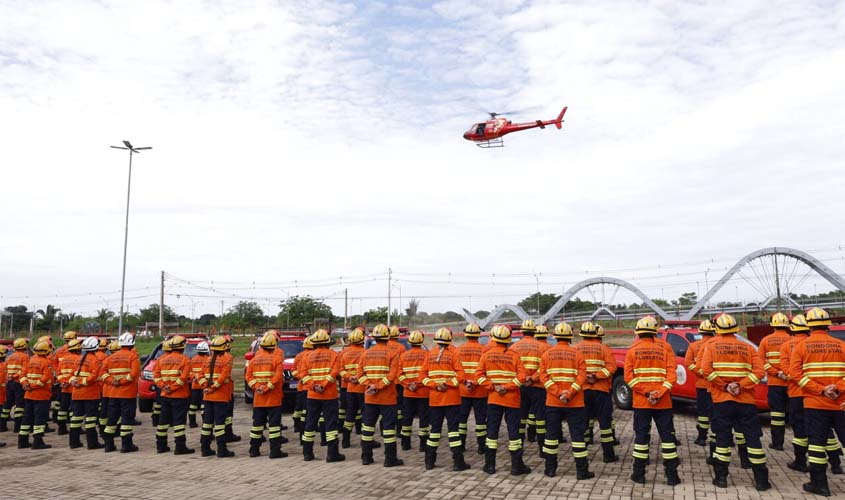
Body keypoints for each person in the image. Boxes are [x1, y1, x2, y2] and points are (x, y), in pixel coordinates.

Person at [701, 313, 770, 491]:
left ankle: (721, 478)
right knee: (753, 439)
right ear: (735, 329)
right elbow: (760, 372)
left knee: (722, 439)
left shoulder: (711, 346)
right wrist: (741, 385)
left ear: (717, 329)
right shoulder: (747, 348)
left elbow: (706, 370)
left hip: (722, 400)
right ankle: (761, 481)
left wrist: (725, 386)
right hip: (745, 400)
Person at [790, 307, 845, 496]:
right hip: (840, 403)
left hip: (815, 403)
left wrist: (820, 389)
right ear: (828, 325)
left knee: (816, 444)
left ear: (809, 326)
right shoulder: (841, 345)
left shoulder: (801, 346)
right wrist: (837, 388)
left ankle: (820, 484)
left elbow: (796, 374)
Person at [624, 316, 680, 486]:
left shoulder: (632, 350)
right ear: (655, 332)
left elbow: (629, 378)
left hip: (642, 403)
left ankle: (639, 474)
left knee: (641, 438)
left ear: (638, 333)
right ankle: (672, 476)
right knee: (667, 438)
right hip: (663, 402)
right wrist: (659, 392)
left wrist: (647, 392)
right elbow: (672, 375)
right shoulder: (666, 349)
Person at [539, 321, 592, 479]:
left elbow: (543, 377)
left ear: (555, 337)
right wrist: (569, 393)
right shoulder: (578, 354)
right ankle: (582, 472)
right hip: (575, 402)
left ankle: (550, 469)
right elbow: (582, 377)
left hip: (553, 402)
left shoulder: (546, 354)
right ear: (570, 337)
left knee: (551, 436)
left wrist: (557, 393)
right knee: (578, 437)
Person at [477, 324, 529, 476]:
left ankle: (490, 466)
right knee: (514, 434)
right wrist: (507, 387)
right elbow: (522, 378)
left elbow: (479, 376)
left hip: (494, 399)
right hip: (512, 400)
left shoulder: (486, 355)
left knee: (492, 432)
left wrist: (494, 386)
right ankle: (516, 467)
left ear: (493, 338)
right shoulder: (514, 355)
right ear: (508, 339)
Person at [421, 327, 468, 471]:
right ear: (449, 340)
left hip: (435, 399)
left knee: (434, 430)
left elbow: (422, 376)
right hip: (452, 399)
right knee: (453, 430)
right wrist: (447, 385)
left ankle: (429, 462)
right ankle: (458, 463)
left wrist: (435, 386)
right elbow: (461, 375)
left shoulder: (429, 355)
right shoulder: (453, 355)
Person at [357, 323, 403, 467]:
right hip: (387, 398)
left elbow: (360, 374)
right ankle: (390, 459)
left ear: (375, 338)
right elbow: (392, 376)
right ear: (387, 337)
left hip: (370, 396)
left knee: (368, 427)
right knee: (389, 429)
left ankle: (366, 457)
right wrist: (378, 386)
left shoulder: (366, 353)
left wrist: (369, 385)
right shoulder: (392, 353)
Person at [300, 329, 344, 463]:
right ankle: (332, 454)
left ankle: (307, 453)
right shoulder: (334, 355)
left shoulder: (307, 356)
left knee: (310, 423)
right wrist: (323, 385)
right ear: (327, 342)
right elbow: (335, 372)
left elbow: (303, 374)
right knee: (331, 424)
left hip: (312, 395)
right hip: (329, 395)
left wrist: (313, 385)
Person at [576, 321, 618, 462]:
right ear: (596, 334)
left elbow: (574, 370)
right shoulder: (604, 349)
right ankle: (608, 455)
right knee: (605, 423)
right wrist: (597, 376)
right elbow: (612, 368)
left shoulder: (575, 349)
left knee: (583, 421)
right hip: (601, 390)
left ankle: (583, 451)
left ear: (581, 334)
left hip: (583, 390)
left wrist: (587, 377)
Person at [245, 331, 287, 459]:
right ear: (274, 345)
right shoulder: (277, 358)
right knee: (274, 426)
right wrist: (267, 387)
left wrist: (257, 387)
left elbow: (248, 376)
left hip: (259, 398)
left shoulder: (254, 359)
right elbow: (278, 377)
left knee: (257, 425)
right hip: (273, 397)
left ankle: (254, 450)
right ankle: (275, 451)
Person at [511, 319, 548, 449]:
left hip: (520, 387)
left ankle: (519, 446)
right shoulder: (543, 347)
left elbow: (511, 369)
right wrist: (533, 378)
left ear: (522, 332)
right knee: (540, 418)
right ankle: (542, 448)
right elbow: (545, 368)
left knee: (520, 418)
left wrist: (522, 379)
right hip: (538, 387)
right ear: (534, 332)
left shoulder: (513, 347)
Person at [757, 312, 792, 450]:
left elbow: (761, 361)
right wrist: (787, 374)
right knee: (794, 415)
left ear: (773, 325)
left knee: (777, 414)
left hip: (775, 383)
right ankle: (801, 443)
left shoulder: (766, 340)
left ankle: (777, 443)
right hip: (791, 383)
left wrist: (776, 372)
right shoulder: (791, 340)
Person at [101, 332, 141, 453]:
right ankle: (126, 445)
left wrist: (112, 381)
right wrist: (123, 381)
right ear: (132, 344)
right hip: (127, 393)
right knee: (126, 420)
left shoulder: (110, 357)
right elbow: (134, 374)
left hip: (113, 393)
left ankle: (108, 445)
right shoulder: (133, 356)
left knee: (111, 419)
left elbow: (102, 373)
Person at [154, 335, 194, 455]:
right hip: (180, 395)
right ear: (183, 347)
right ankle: (180, 447)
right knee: (179, 422)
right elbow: (183, 378)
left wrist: (164, 386)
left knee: (163, 421)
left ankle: (161, 446)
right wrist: (172, 387)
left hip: (165, 395)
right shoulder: (185, 360)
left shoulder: (161, 359)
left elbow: (156, 376)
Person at [200, 335, 235, 457]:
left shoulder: (208, 359)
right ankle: (221, 449)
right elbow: (223, 376)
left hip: (208, 396)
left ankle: (205, 448)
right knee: (220, 424)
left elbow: (199, 375)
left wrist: (205, 387)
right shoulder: (227, 358)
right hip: (220, 396)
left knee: (207, 424)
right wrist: (212, 387)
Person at [457, 322, 488, 454]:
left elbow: (456, 371)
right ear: (478, 335)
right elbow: (486, 371)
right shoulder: (484, 350)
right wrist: (474, 382)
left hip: (463, 390)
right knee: (481, 420)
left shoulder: (458, 350)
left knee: (462, 420)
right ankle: (481, 447)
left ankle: (461, 445)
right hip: (480, 390)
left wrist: (466, 382)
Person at [68, 337, 103, 450]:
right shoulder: (95, 360)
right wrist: (83, 382)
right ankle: (92, 443)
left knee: (76, 418)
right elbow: (94, 376)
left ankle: (74, 442)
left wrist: (74, 381)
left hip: (77, 393)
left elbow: (73, 373)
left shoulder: (79, 359)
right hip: (90, 394)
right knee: (90, 419)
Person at [686, 319, 716, 446]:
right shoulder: (717, 344)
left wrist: (700, 372)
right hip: (717, 386)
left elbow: (688, 363)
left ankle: (702, 437)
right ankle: (721, 438)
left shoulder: (694, 346)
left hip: (702, 385)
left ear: (701, 332)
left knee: (703, 413)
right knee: (716, 413)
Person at [398, 330, 430, 452]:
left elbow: (399, 375)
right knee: (424, 418)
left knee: (407, 418)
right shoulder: (427, 355)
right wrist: (419, 384)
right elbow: (429, 374)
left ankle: (405, 444)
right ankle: (423, 445)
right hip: (423, 392)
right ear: (421, 342)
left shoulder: (403, 355)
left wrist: (408, 384)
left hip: (408, 392)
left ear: (410, 342)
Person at [19, 339, 54, 449]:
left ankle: (22, 441)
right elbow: (45, 378)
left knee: (27, 417)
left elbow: (22, 374)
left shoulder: (30, 360)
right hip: (41, 395)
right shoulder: (46, 362)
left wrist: (25, 384)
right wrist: (33, 386)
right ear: (47, 351)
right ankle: (37, 441)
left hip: (28, 394)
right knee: (39, 418)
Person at [340, 328, 366, 448]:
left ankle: (345, 440)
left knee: (350, 414)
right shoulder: (366, 353)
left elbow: (340, 370)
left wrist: (350, 378)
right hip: (363, 388)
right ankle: (366, 440)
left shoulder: (344, 353)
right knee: (366, 415)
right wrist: (358, 378)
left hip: (350, 387)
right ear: (362, 340)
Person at [1, 338, 29, 434]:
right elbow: (24, 370)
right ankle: (17, 426)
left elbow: (5, 368)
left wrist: (10, 377)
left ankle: (2, 425)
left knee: (7, 405)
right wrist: (15, 376)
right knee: (19, 405)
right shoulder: (25, 357)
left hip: (9, 383)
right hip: (18, 383)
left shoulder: (10, 357)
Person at [52, 331, 78, 434]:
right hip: (74, 386)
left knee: (62, 407)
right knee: (74, 409)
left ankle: (61, 427)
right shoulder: (78, 358)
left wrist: (62, 381)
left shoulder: (59, 352)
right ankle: (75, 428)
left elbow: (56, 369)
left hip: (63, 386)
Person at [292, 336, 314, 439]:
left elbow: (294, 370)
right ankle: (305, 429)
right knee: (307, 411)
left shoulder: (299, 356)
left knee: (299, 409)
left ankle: (298, 426)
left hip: (301, 386)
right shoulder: (312, 355)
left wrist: (300, 376)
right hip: (309, 388)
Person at [189, 341, 209, 428]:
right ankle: (205, 422)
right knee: (203, 405)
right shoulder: (208, 359)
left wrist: (194, 377)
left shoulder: (193, 359)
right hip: (204, 385)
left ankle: (192, 423)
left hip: (194, 385)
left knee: (193, 405)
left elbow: (189, 372)